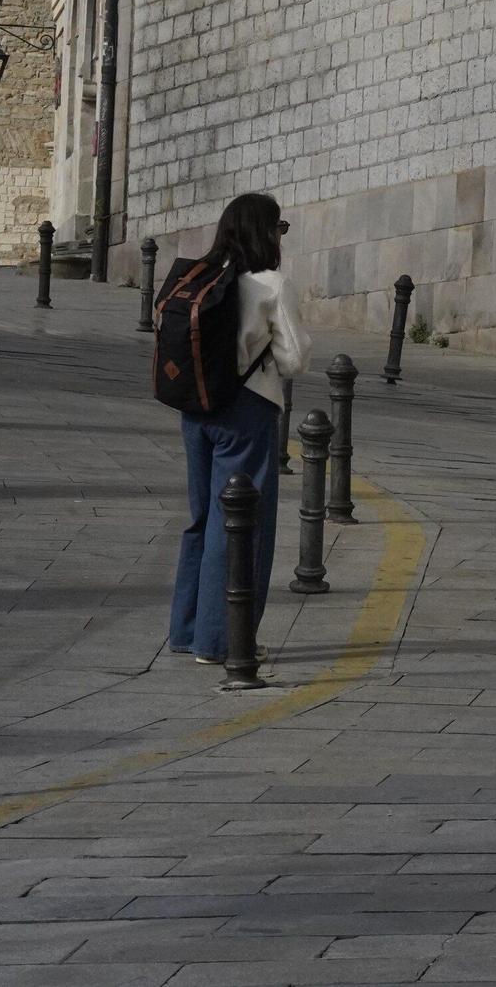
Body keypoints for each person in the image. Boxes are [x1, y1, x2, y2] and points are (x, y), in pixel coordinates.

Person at [169, 193, 309, 665]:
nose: (280, 236)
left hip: (196, 409)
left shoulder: (202, 276)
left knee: (202, 521)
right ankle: (222, 641)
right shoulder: (272, 285)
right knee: (244, 527)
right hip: (247, 413)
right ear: (264, 232)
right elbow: (295, 360)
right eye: (279, 228)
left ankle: (188, 630)